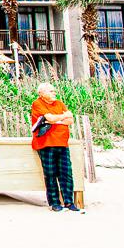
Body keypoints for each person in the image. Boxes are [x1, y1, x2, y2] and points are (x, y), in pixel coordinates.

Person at [29, 81, 82, 213]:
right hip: (46, 143)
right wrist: (61, 118)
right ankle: (54, 202)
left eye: (54, 91)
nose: (54, 93)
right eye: (51, 91)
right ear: (42, 93)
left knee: (66, 172)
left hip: (62, 142)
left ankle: (69, 202)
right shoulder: (38, 103)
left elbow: (70, 119)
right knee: (51, 173)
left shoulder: (59, 103)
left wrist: (56, 119)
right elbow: (50, 118)